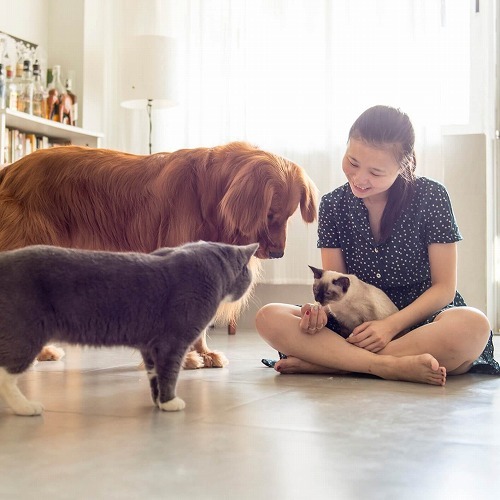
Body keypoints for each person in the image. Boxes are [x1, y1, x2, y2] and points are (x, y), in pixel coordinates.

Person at [256, 105, 499, 386]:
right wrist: (319, 314)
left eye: (376, 172)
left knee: (473, 326)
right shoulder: (333, 205)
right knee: (268, 317)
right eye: (353, 162)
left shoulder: (432, 196)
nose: (360, 179)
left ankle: (336, 363)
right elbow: (337, 286)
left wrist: (389, 326)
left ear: (403, 166)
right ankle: (386, 365)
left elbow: (444, 289)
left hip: (421, 323)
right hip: (355, 325)